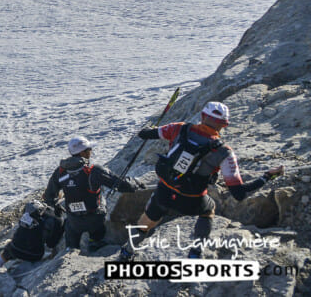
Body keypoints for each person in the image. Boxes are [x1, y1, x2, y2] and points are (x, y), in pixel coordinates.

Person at [120, 101, 284, 259]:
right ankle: (195, 253)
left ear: (203, 116)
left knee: (147, 220)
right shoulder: (224, 152)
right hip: (192, 199)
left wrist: (149, 129)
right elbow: (239, 193)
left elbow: (145, 134)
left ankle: (127, 252)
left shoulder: (179, 128)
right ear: (224, 125)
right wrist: (267, 176)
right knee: (209, 210)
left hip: (165, 190)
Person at [43, 137, 142, 252]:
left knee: (71, 230)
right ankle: (95, 241)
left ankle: (70, 250)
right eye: (89, 149)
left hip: (74, 221)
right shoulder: (94, 170)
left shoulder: (60, 171)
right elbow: (122, 185)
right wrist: (135, 183)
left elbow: (49, 196)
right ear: (82, 153)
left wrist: (57, 208)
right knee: (101, 203)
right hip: (95, 218)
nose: (91, 151)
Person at [0, 201, 64, 267]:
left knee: (8, 250)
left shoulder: (31, 208)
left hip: (14, 249)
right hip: (34, 254)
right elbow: (51, 244)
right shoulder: (57, 220)